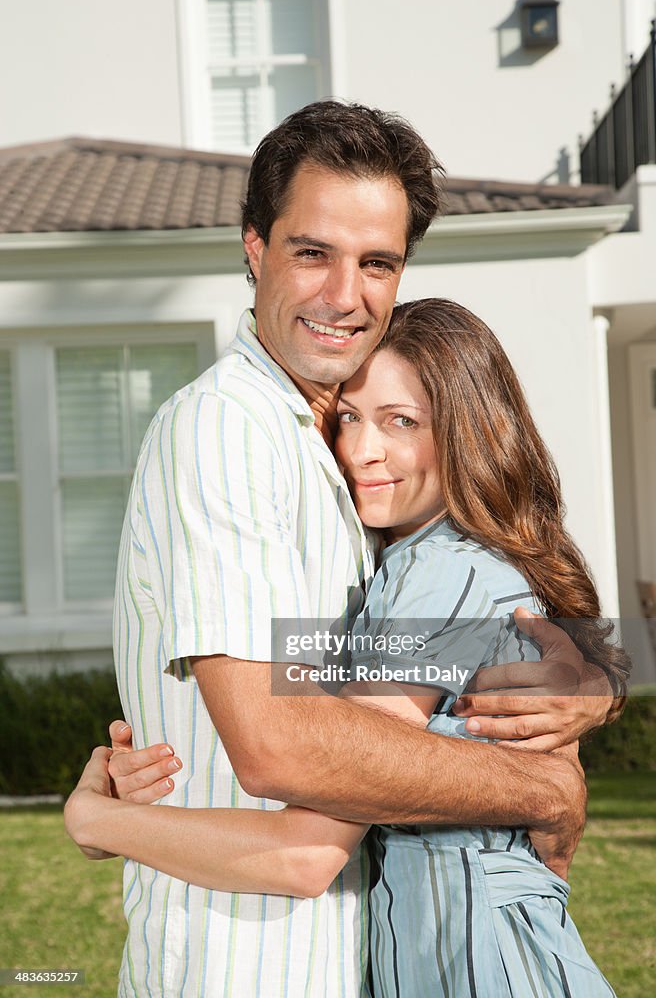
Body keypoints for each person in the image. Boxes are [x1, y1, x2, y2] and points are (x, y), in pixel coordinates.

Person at [88, 100, 624, 997]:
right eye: (312, 252)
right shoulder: (226, 431)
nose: (346, 294)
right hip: (246, 963)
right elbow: (277, 746)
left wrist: (592, 685)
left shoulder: (328, 455)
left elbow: (351, 659)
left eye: (377, 261)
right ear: (254, 248)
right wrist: (535, 789)